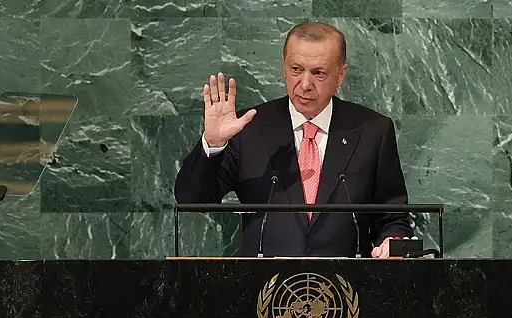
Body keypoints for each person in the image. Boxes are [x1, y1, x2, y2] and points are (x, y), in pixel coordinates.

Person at [174, 21, 412, 258]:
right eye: (296, 69)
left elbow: (393, 217)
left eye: (318, 73)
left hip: (346, 280)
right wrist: (213, 144)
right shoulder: (248, 129)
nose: (305, 85)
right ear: (283, 66)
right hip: (264, 280)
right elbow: (193, 200)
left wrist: (393, 242)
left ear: (340, 75)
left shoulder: (372, 131)